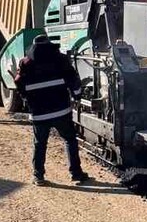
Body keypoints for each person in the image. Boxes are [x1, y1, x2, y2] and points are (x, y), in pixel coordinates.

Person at [14, 35, 92, 186]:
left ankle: (39, 176)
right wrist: (77, 95)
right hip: (60, 110)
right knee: (69, 139)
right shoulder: (60, 59)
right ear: (49, 44)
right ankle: (76, 173)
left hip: (38, 112)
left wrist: (25, 96)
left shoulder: (25, 62)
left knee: (39, 143)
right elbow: (72, 78)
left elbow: (18, 82)